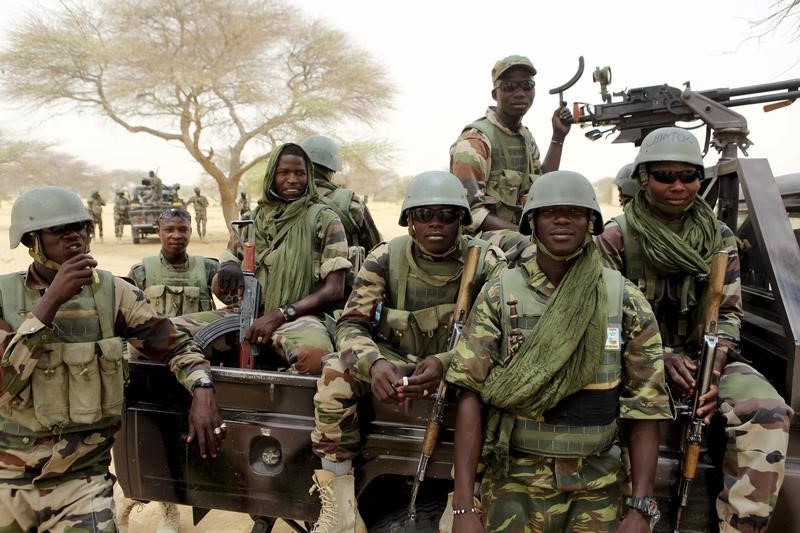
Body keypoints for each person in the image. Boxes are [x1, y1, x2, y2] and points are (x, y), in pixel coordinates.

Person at [446, 171, 674, 532]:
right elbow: (470, 393)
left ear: (590, 224)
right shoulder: (499, 294)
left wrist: (640, 507)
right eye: (551, 211)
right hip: (514, 483)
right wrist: (463, 507)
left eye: (576, 212)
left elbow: (645, 404)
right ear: (532, 222)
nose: (564, 219)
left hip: (597, 486)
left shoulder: (622, 298)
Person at [595, 127, 793, 532]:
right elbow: (603, 321)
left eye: (688, 176)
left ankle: (740, 524)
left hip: (702, 357)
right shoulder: (617, 239)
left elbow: (731, 314)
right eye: (664, 176)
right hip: (630, 359)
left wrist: (713, 367)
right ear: (644, 179)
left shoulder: (719, 238)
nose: (678, 186)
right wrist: (657, 357)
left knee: (769, 411)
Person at [0, 186, 225, 533]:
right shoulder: (4, 296)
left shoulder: (112, 293)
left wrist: (203, 388)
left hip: (81, 480)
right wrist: (49, 304)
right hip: (7, 479)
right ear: (32, 239)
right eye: (60, 230)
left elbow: (174, 345)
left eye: (81, 226)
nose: (74, 235)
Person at [310, 171, 506, 532]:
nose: (435, 224)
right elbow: (351, 324)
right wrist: (374, 364)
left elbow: (498, 337)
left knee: (495, 391)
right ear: (409, 222)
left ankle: (466, 501)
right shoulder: (386, 258)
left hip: (460, 367)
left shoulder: (487, 263)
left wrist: (446, 364)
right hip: (397, 361)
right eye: (423, 215)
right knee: (335, 374)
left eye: (446, 215)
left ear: (462, 220)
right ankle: (341, 509)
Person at [215, 143, 351, 374]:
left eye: (300, 173)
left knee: (315, 357)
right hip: (244, 312)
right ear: (271, 177)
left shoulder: (324, 219)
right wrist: (228, 267)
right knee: (170, 334)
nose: (292, 179)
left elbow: (334, 290)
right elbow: (230, 259)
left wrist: (280, 314)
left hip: (298, 316)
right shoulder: (251, 220)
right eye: (284, 173)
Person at [449, 54, 572, 263]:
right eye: (509, 86)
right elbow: (471, 213)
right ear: (495, 93)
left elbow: (542, 188)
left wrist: (558, 137)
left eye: (527, 85)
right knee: (535, 248)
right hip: (479, 242)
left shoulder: (525, 138)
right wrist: (526, 234)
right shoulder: (475, 141)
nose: (520, 93)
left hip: (517, 236)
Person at [300, 134, 383, 295]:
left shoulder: (286, 200)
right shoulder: (351, 204)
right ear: (332, 169)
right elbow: (377, 249)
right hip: (340, 295)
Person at [128, 207, 220, 316]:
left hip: (200, 333)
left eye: (183, 230)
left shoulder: (208, 268)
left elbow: (236, 303)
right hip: (157, 333)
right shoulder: (141, 272)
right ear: (158, 231)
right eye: (169, 230)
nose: (176, 236)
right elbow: (126, 313)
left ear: (190, 232)